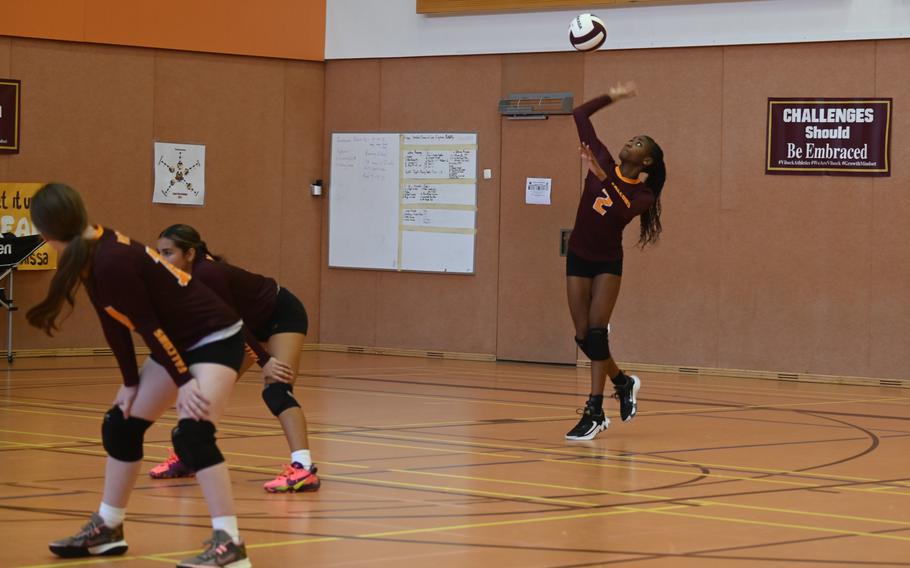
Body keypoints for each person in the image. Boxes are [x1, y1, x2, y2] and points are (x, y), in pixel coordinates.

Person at [26, 184, 253, 567]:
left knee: (193, 433)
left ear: (45, 233)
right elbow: (114, 320)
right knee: (121, 423)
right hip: (178, 340)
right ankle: (108, 527)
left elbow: (148, 327)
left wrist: (185, 383)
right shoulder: (92, 246)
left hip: (215, 337)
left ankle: (229, 544)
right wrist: (130, 383)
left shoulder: (109, 259)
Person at [150, 224, 319, 493]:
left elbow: (234, 324)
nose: (162, 260)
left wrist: (266, 361)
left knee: (276, 390)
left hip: (280, 314)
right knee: (207, 390)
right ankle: (189, 455)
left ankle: (303, 468)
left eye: (168, 253)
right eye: (159, 253)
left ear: (190, 253)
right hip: (246, 326)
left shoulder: (207, 274)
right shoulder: (179, 278)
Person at [564, 81, 667, 441]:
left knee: (596, 332)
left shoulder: (644, 193)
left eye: (639, 144)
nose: (630, 143)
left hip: (608, 263)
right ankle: (623, 382)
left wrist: (604, 178)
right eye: (632, 138)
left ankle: (594, 409)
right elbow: (579, 114)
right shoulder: (604, 158)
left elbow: (621, 210)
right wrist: (613, 96)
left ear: (647, 161)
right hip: (578, 253)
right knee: (582, 337)